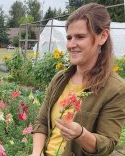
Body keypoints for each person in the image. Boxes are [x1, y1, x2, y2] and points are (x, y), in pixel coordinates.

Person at [31, 3, 125, 156]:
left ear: (102, 36)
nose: (71, 45)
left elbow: (107, 144)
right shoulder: (60, 79)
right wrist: (36, 152)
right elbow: (41, 122)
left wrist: (81, 134)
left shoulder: (115, 89)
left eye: (80, 37)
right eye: (69, 37)